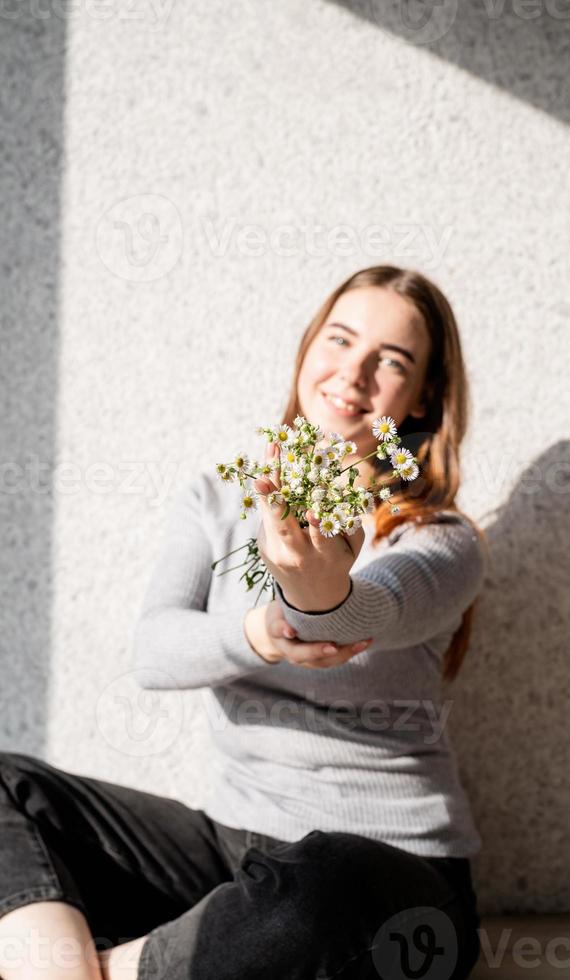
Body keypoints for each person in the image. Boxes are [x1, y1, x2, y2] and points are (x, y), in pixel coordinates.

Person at [0, 265, 489, 980]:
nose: (353, 373)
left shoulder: (440, 541)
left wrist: (316, 588)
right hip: (232, 851)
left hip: (391, 877)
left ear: (421, 400)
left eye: (391, 362)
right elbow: (155, 651)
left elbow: (373, 608)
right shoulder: (217, 496)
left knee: (320, 886)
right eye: (340, 340)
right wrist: (263, 630)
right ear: (305, 351)